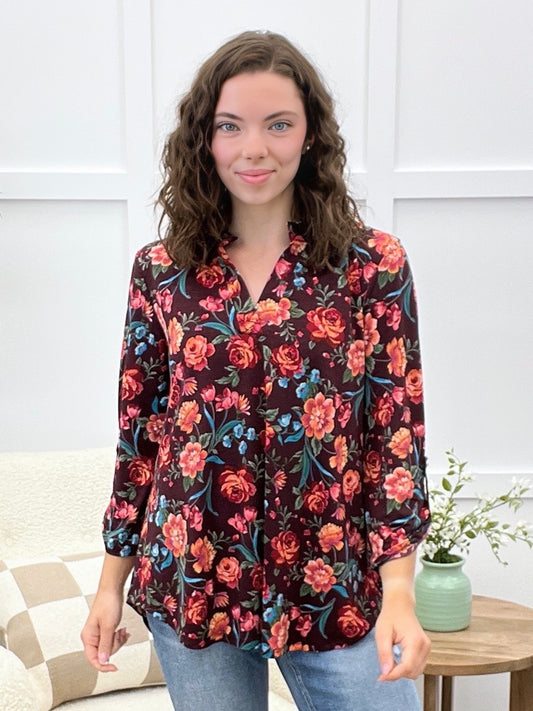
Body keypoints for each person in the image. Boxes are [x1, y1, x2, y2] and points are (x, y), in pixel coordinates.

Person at [81, 30, 431, 711]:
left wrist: (399, 593)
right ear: (204, 138)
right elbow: (142, 437)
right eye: (230, 126)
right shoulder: (161, 270)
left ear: (310, 134)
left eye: (278, 124)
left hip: (335, 586)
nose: (254, 149)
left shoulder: (372, 266)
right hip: (194, 581)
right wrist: (108, 586)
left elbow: (394, 438)